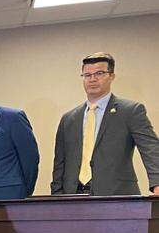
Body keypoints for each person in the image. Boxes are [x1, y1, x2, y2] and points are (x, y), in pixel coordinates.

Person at [51, 52, 159, 196]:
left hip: (117, 197)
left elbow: (150, 148)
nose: (92, 79)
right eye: (87, 75)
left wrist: (157, 183)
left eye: (99, 73)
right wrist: (56, 197)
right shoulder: (68, 119)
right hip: (73, 198)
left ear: (111, 76)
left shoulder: (131, 111)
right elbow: (60, 163)